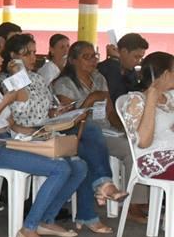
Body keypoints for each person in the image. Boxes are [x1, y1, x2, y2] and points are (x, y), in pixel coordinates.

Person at [0, 37, 87, 237]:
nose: (1, 58)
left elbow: (11, 123)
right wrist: (4, 103)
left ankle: (47, 219)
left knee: (78, 166)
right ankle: (29, 228)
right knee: (60, 168)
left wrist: (39, 132)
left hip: (8, 139)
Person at [1, 34, 121, 233]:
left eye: (33, 52)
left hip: (49, 129)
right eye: (26, 53)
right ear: (13, 56)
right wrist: (16, 70)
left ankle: (53, 218)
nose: (33, 57)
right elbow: (21, 105)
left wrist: (58, 113)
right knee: (89, 132)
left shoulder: (38, 77)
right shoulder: (10, 81)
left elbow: (46, 108)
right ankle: (102, 187)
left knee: (82, 159)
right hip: (28, 136)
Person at [54, 40, 150, 222]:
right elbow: (69, 120)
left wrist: (125, 127)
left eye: (94, 56)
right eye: (86, 57)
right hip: (81, 133)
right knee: (128, 150)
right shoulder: (64, 83)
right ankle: (132, 205)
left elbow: (111, 113)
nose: (92, 61)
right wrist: (90, 100)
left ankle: (139, 198)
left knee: (136, 143)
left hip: (105, 129)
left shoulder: (99, 78)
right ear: (73, 60)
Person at [119, 51, 174, 180]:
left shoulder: (169, 98)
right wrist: (152, 99)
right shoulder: (137, 100)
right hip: (153, 158)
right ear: (165, 74)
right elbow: (142, 142)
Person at [99, 33, 148, 105]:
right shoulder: (108, 68)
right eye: (136, 57)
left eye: (140, 58)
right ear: (124, 51)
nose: (138, 62)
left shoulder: (130, 70)